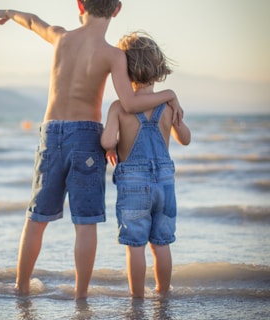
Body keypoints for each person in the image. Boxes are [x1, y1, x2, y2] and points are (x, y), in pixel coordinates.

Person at [0, 1, 183, 300]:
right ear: (117, 10)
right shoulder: (113, 55)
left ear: (80, 4)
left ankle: (22, 286)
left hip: (51, 132)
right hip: (86, 137)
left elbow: (31, 21)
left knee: (37, 217)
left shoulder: (60, 36)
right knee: (85, 221)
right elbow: (129, 104)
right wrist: (169, 94)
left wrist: (7, 13)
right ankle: (80, 296)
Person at [101, 31, 191, 299]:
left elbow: (107, 140)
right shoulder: (167, 104)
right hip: (165, 183)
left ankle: (137, 299)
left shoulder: (119, 107)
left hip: (133, 186)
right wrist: (177, 117)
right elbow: (185, 139)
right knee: (161, 244)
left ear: (124, 70)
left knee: (136, 246)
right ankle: (163, 293)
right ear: (158, 68)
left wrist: (109, 146)